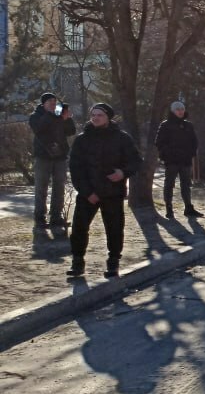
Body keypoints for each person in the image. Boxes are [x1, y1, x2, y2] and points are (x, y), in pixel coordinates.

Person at [65, 103, 141, 278]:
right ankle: (78, 262)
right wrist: (86, 192)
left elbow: (135, 161)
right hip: (88, 193)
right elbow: (75, 168)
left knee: (114, 229)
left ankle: (113, 263)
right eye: (93, 114)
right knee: (79, 228)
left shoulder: (122, 138)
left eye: (100, 115)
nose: (95, 117)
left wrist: (123, 172)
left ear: (108, 117)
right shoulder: (82, 139)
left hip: (112, 192)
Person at [28, 92, 75, 229]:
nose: (54, 104)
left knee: (59, 188)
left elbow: (71, 131)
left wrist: (67, 119)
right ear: (43, 104)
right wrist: (51, 115)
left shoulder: (60, 115)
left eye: (55, 102)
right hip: (43, 157)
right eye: (50, 102)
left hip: (60, 156)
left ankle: (56, 217)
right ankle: (40, 218)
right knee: (41, 188)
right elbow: (39, 129)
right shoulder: (36, 116)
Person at [155, 100, 203, 219]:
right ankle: (169, 209)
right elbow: (159, 142)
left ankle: (188, 208)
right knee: (169, 184)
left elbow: (194, 141)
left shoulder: (188, 125)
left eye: (182, 109)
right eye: (177, 109)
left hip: (185, 160)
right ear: (172, 111)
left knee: (186, 184)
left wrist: (191, 153)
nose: (180, 111)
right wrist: (167, 154)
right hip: (171, 161)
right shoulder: (165, 125)